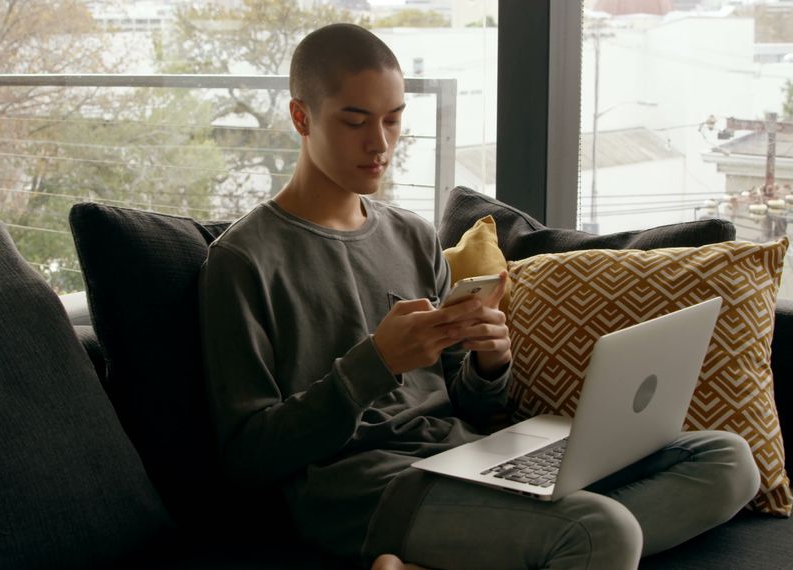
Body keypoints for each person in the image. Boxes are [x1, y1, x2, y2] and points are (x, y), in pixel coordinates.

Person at [198, 23, 759, 570]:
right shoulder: (242, 261)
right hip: (366, 490)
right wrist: (377, 363)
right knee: (601, 530)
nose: (381, 143)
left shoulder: (412, 236)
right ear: (301, 116)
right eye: (355, 121)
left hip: (467, 456)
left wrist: (490, 362)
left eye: (394, 120)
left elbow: (467, 406)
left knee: (726, 460)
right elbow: (248, 457)